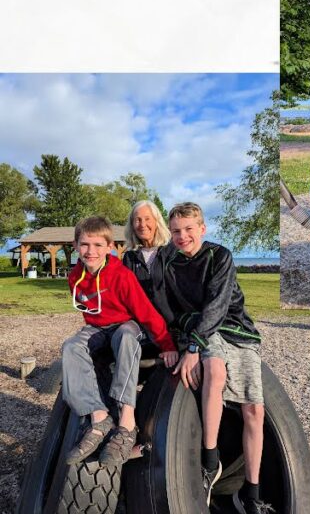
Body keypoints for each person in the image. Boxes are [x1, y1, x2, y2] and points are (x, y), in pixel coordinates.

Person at [164, 203, 269, 512]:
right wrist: (191, 344)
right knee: (216, 370)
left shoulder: (219, 256)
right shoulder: (168, 264)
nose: (182, 236)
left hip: (234, 327)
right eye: (176, 231)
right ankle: (210, 461)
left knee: (255, 410)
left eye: (188, 229)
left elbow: (218, 304)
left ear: (202, 229)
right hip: (200, 329)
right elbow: (170, 309)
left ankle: (252, 493)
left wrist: (193, 346)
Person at [60, 216, 178, 468]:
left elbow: (146, 313)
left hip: (127, 324)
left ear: (110, 246)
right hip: (97, 328)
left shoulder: (121, 276)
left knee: (125, 336)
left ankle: (126, 420)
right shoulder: (74, 277)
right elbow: (90, 315)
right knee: (71, 347)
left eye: (97, 245)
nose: (90, 251)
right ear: (75, 245)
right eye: (84, 245)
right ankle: (99, 416)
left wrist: (167, 345)